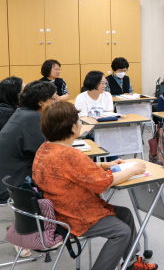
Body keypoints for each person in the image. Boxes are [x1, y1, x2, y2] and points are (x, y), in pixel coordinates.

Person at [32, 101, 157, 270]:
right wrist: (133, 170)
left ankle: (131, 263)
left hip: (58, 210)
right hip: (73, 216)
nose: (80, 122)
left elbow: (74, 171)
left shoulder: (45, 148)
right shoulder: (70, 155)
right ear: (70, 127)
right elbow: (103, 183)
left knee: (125, 214)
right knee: (122, 231)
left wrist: (106, 165)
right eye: (77, 119)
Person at [0, 81, 56, 203]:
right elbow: (48, 155)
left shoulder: (22, 113)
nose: (54, 102)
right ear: (41, 103)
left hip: (9, 182)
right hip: (16, 188)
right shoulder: (32, 118)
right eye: (52, 99)